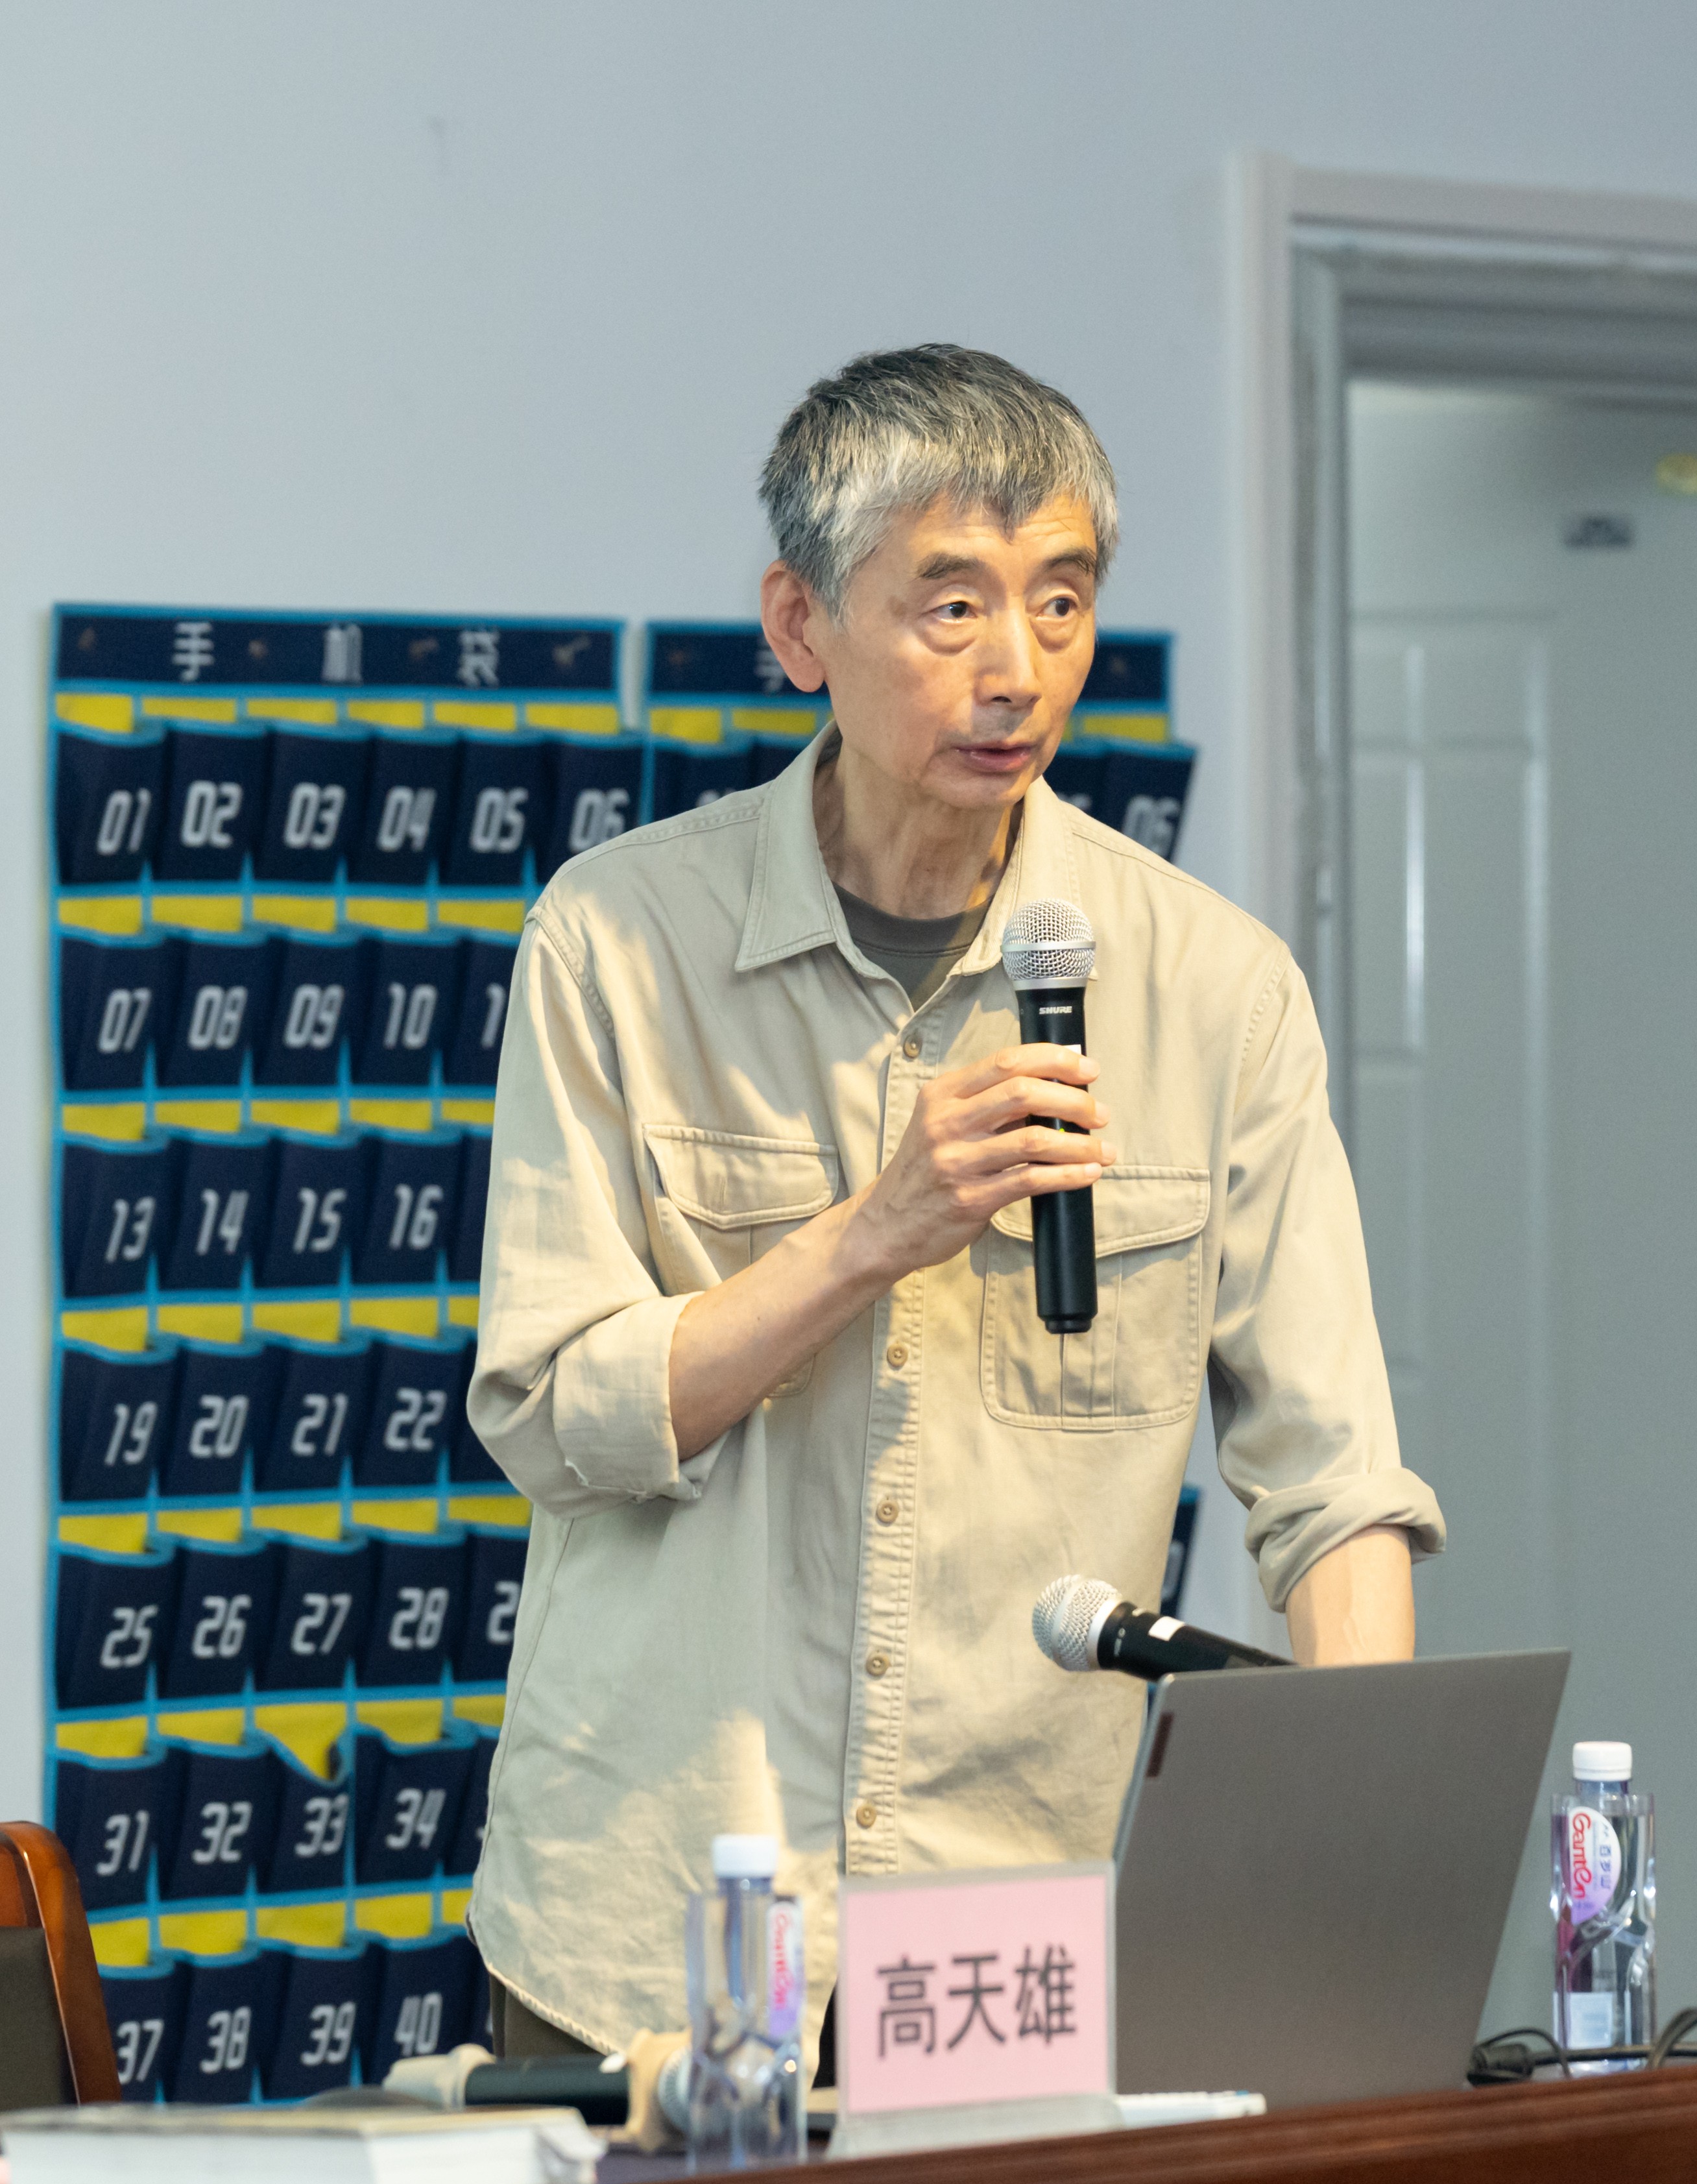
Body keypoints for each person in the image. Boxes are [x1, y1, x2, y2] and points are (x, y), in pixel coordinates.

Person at [464, 344, 1442, 2057]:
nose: (1018, 671)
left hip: (1000, 1932)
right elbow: (555, 1415)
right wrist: (872, 1234)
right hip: (664, 1910)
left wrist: (1365, 1857)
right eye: (953, 608)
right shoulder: (617, 942)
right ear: (800, 627)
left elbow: (1332, 1477)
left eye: (1061, 604)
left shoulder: (1214, 991)